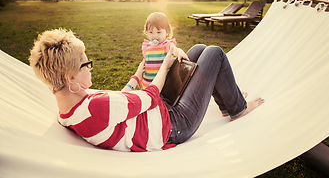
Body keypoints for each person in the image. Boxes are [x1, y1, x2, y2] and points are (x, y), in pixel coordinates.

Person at [29, 28, 264, 152]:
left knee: (197, 50)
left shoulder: (70, 109)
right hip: (175, 124)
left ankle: (227, 100)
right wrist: (166, 61)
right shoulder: (94, 108)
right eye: (86, 64)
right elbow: (149, 95)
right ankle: (237, 108)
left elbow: (117, 104)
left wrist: (136, 76)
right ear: (71, 76)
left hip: (159, 110)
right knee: (213, 52)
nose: (91, 68)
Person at [141, 12, 188, 89]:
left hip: (162, 86)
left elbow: (174, 50)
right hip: (147, 85)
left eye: (159, 32)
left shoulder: (167, 45)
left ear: (167, 32)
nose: (155, 36)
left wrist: (179, 52)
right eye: (151, 32)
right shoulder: (146, 46)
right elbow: (146, 64)